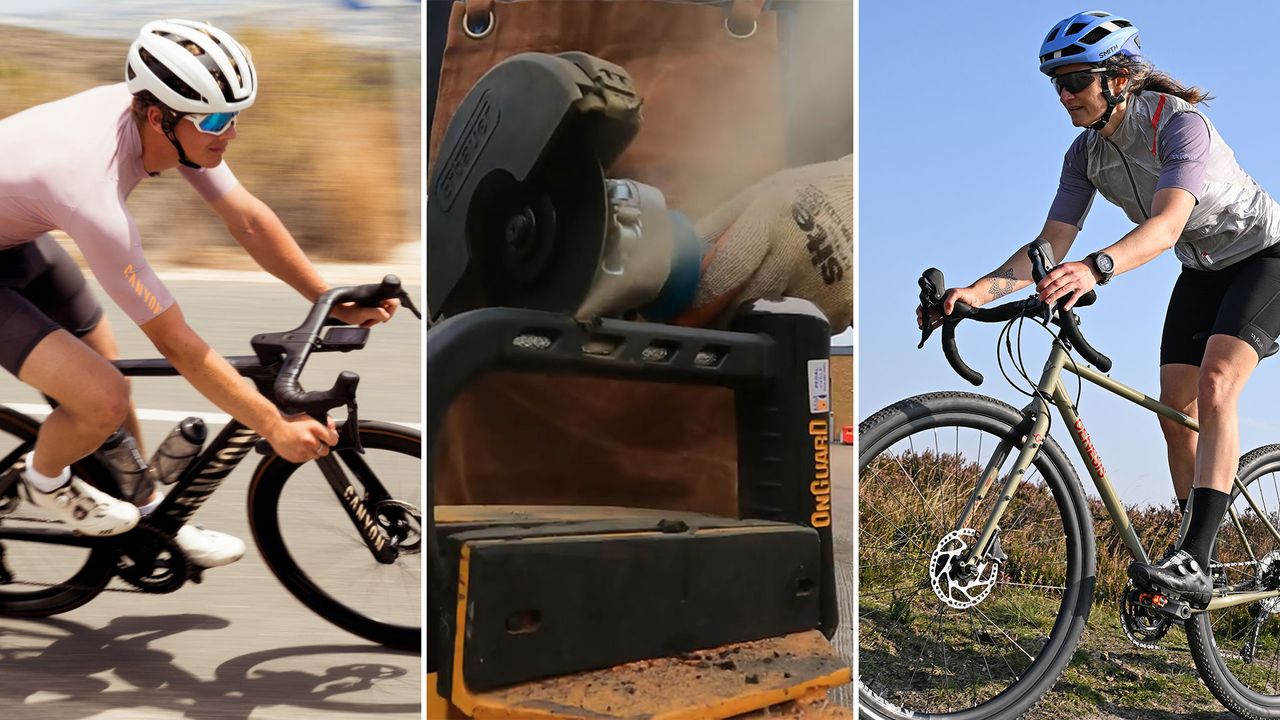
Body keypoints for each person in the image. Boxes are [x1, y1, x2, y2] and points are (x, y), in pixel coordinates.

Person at [0, 19, 395, 568]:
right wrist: (273, 425)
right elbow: (177, 342)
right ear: (160, 117)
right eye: (215, 120)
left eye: (234, 117)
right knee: (102, 397)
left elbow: (249, 221)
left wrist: (329, 295)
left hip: (14, 238)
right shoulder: (91, 188)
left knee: (107, 380)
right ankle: (42, 483)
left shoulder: (167, 121)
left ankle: (148, 515)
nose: (230, 133)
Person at [922, 10, 1280, 608]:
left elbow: (1166, 226)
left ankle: (1192, 557)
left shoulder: (1178, 127)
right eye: (1055, 83)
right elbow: (1047, 246)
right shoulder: (1084, 154)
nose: (1063, 95)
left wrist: (1096, 268)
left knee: (1218, 383)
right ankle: (1200, 564)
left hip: (1265, 258)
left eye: (1075, 81)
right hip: (1202, 271)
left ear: (1118, 77)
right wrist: (976, 292)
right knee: (1174, 413)